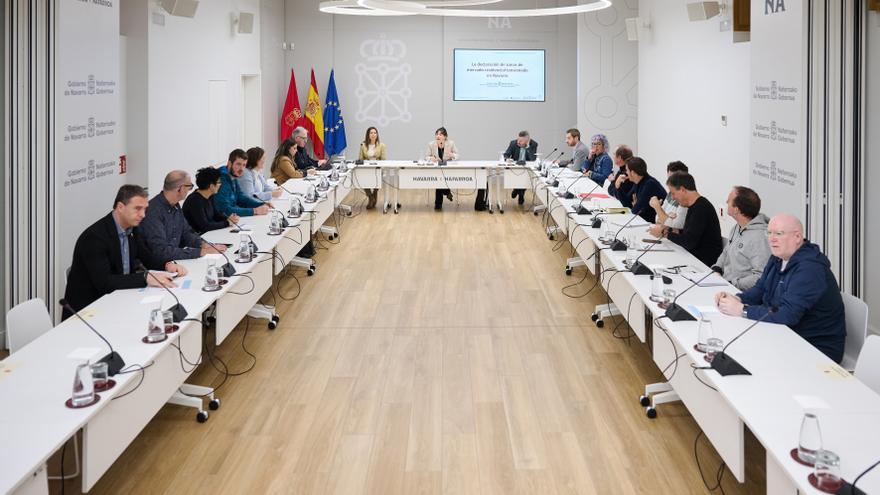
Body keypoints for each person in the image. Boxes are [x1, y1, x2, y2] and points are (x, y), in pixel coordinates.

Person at [715, 214, 846, 363]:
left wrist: (742, 310)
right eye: (769, 233)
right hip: (784, 333)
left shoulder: (810, 269)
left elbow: (788, 314)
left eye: (778, 233)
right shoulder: (778, 257)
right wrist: (737, 298)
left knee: (747, 356)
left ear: (797, 237)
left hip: (815, 346)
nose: (772, 239)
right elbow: (760, 289)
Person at [63, 185, 185, 318]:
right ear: (120, 207)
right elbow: (104, 283)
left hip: (119, 300)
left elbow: (146, 257)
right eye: (137, 209)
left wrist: (167, 265)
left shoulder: (132, 229)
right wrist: (145, 277)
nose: (143, 215)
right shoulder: (94, 238)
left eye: (145, 209)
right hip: (89, 310)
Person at [140, 171, 226, 263]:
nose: (190, 190)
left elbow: (186, 233)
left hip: (175, 260)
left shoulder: (175, 205)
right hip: (160, 266)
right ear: (180, 189)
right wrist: (201, 252)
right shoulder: (153, 211)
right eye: (189, 187)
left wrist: (204, 245)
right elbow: (161, 251)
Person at [648, 172, 723, 267]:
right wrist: (668, 229)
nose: (673, 198)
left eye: (673, 193)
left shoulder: (701, 208)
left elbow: (689, 242)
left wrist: (664, 233)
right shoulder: (694, 205)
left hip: (703, 263)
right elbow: (689, 233)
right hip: (694, 257)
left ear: (682, 190)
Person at [710, 186, 771, 291]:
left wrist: (732, 283)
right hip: (725, 285)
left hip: (741, 293)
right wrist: (717, 268)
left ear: (736, 210)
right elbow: (726, 251)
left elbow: (760, 276)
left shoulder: (760, 238)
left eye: (729, 200)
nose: (726, 201)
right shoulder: (737, 227)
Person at [214, 149, 271, 217]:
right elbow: (225, 210)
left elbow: (241, 198)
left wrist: (261, 204)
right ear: (229, 164)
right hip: (220, 220)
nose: (241, 169)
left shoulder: (233, 175)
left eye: (244, 165)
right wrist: (255, 211)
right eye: (238, 164)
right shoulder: (221, 179)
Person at [183, 167, 241, 234]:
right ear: (211, 186)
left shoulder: (210, 195)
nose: (220, 185)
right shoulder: (195, 201)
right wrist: (227, 223)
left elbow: (217, 215)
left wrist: (229, 219)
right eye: (219, 182)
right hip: (197, 236)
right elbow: (205, 226)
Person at [615, 157, 666, 223]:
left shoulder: (650, 184)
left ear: (632, 172)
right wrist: (618, 187)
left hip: (656, 223)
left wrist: (635, 205)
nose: (626, 172)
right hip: (645, 221)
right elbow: (627, 203)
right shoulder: (638, 181)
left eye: (627, 170)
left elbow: (635, 210)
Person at [426, 127, 459, 210]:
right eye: (437, 134)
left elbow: (457, 155)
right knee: (439, 179)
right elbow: (426, 157)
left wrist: (452, 155)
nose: (438, 136)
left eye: (440, 134)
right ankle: (447, 192)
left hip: (448, 168)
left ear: (445, 136)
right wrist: (431, 158)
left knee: (440, 180)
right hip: (436, 168)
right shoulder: (431, 144)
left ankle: (438, 204)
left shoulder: (451, 143)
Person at [649, 161, 689, 230]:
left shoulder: (686, 198)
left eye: (673, 180)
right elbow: (657, 218)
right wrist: (667, 217)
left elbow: (676, 225)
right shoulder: (671, 193)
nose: (669, 183)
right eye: (669, 179)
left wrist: (657, 207)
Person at [504, 130, 539, 205]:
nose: (518, 142)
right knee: (517, 177)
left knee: (525, 178)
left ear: (527, 140)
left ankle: (520, 193)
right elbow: (506, 154)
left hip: (527, 168)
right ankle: (518, 190)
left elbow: (533, 159)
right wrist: (507, 159)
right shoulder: (513, 143)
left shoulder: (533, 144)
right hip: (515, 167)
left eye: (521, 141)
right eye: (518, 140)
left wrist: (528, 147)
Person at [358, 126, 386, 209]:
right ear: (368, 135)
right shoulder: (363, 145)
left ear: (377, 135)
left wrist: (379, 165)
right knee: (362, 179)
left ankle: (375, 192)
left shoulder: (381, 145)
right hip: (367, 168)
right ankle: (370, 196)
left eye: (375, 133)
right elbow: (360, 159)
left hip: (377, 168)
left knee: (378, 179)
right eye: (371, 133)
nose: (373, 134)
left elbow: (383, 159)